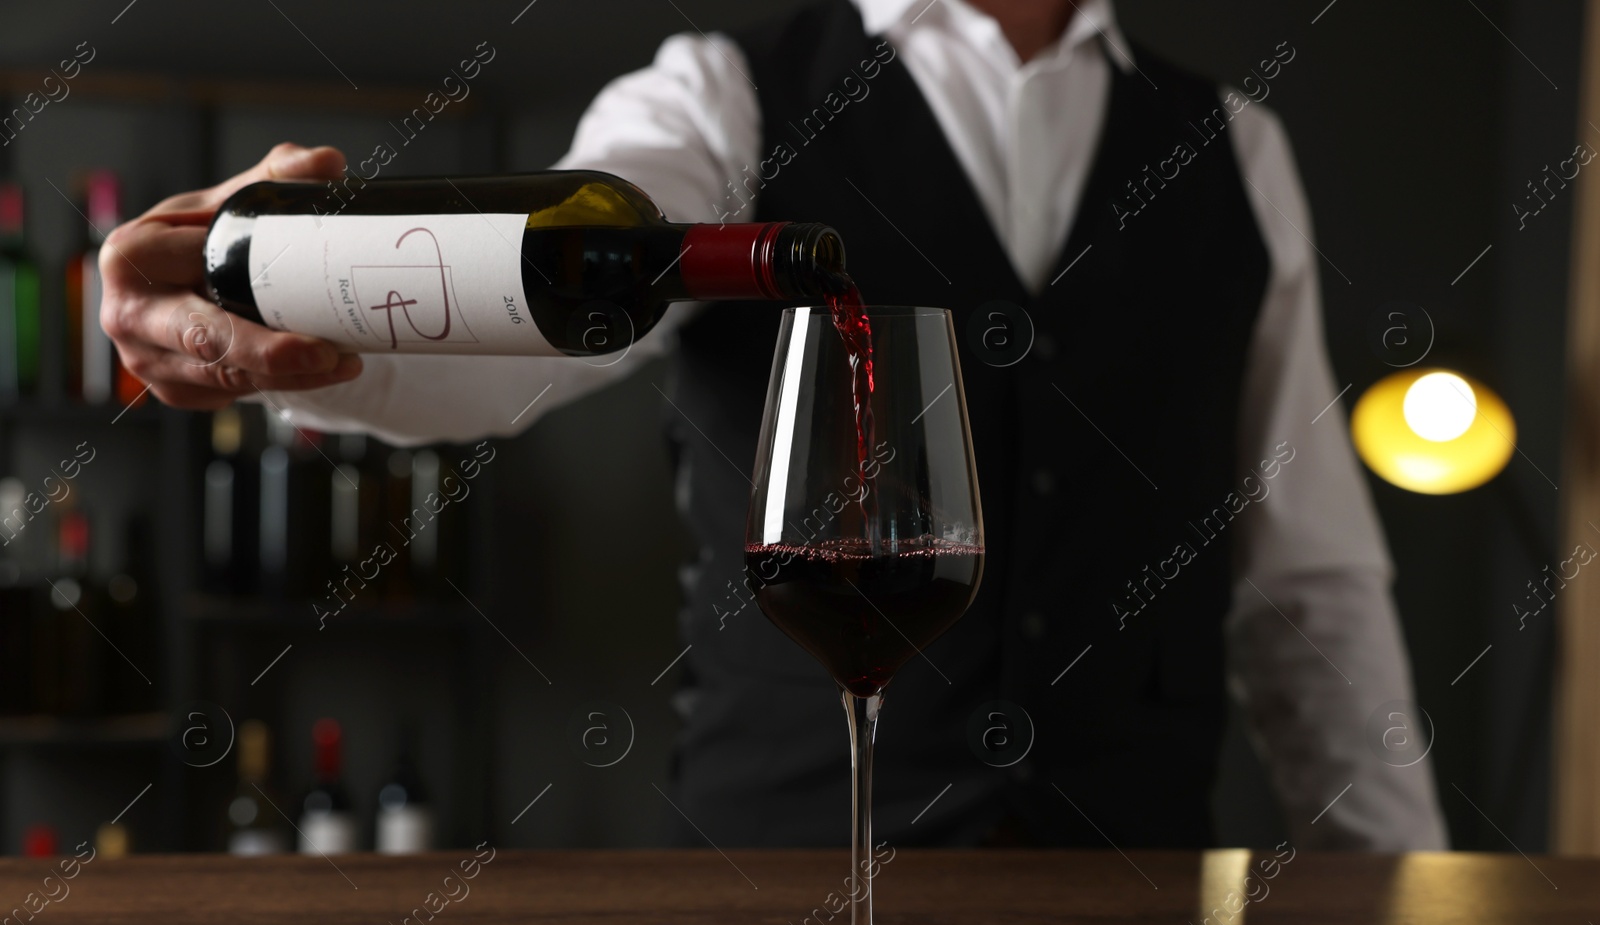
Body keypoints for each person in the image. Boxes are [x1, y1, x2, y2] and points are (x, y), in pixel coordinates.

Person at [101, 0, 1447, 850]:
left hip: (1133, 891)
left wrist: (1406, 908)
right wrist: (287, 325)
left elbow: (1308, 586)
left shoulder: (1233, 144)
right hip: (774, 884)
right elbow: (548, 316)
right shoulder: (720, 95)